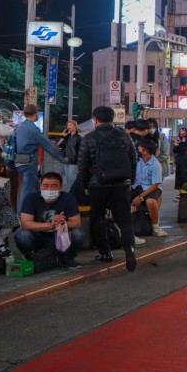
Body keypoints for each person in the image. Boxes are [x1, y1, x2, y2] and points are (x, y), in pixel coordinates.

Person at [78, 106, 139, 271]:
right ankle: (130, 251)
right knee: (125, 220)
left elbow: (83, 165)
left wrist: (85, 185)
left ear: (95, 120)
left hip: (98, 185)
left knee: (98, 219)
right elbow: (134, 160)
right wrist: (129, 180)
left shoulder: (88, 138)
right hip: (121, 184)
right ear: (112, 119)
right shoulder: (125, 137)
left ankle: (105, 253)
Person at [15, 172, 84, 269]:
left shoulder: (68, 198)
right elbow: (25, 224)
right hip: (38, 237)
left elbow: (77, 223)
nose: (49, 189)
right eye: (45, 186)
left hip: (59, 237)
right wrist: (50, 225)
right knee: (22, 235)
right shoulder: (31, 198)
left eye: (54, 186)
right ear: (40, 186)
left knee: (78, 234)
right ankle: (33, 258)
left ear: (61, 188)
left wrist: (62, 223)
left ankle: (68, 258)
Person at [13, 104, 65, 215]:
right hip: (29, 162)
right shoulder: (33, 129)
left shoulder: (19, 126)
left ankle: (41, 211)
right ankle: (19, 217)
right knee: (26, 191)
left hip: (18, 160)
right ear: (36, 113)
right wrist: (62, 158)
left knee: (37, 188)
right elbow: (48, 146)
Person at [130, 138, 168, 238]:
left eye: (140, 147)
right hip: (137, 186)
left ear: (145, 151)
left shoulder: (155, 165)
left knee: (150, 202)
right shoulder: (138, 160)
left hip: (152, 187)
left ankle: (156, 227)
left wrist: (141, 197)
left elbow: (155, 184)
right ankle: (128, 229)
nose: (138, 148)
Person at [58, 120, 82, 192]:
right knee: (67, 180)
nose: (68, 127)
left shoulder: (79, 137)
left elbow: (81, 150)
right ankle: (69, 195)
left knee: (72, 180)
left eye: (70, 125)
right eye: (68, 125)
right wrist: (63, 136)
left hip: (74, 161)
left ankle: (72, 196)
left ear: (75, 126)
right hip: (66, 160)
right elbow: (59, 145)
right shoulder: (67, 136)